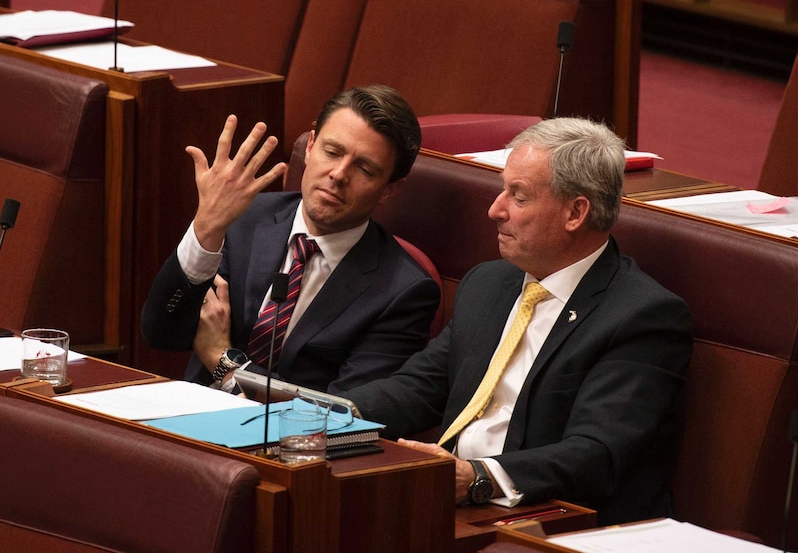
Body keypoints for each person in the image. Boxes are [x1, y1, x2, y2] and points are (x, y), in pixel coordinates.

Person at [343, 117, 693, 525]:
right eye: (502, 189)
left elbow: (595, 453)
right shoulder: (489, 283)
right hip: (449, 501)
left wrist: (477, 476)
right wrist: (327, 415)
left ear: (575, 212)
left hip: (553, 520)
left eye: (519, 196)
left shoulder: (642, 317)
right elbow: (418, 389)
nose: (495, 210)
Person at [140, 85, 440, 394]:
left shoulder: (402, 292)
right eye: (332, 152)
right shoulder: (246, 217)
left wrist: (224, 364)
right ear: (310, 146)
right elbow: (162, 333)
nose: (338, 174)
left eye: (364, 168)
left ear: (390, 189)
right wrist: (206, 228)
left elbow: (342, 414)